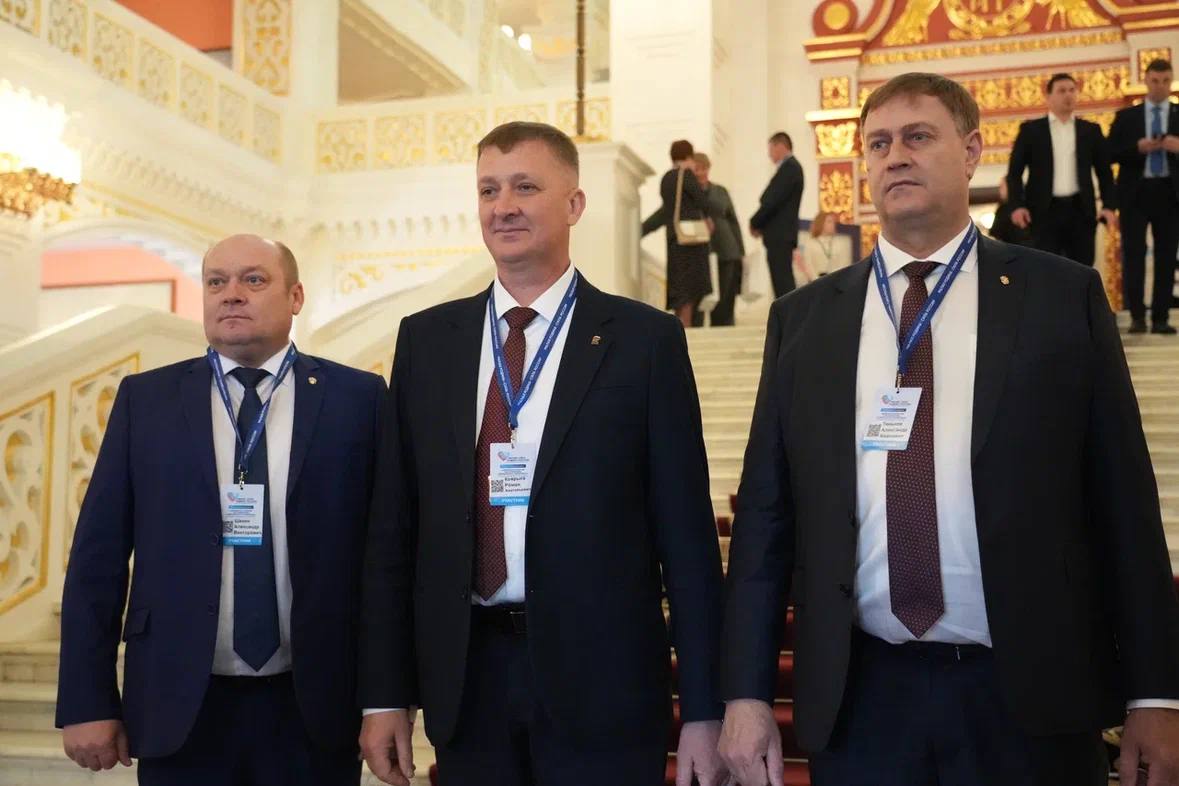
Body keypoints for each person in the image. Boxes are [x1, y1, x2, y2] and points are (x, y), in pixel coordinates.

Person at [719, 72, 1179, 786]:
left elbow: (1123, 500)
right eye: (877, 143)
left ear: (970, 152)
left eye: (917, 136)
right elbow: (765, 520)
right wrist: (746, 693)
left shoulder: (1059, 297)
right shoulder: (804, 319)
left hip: (1027, 696)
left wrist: (1154, 694)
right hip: (861, 699)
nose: (894, 155)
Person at [358, 121, 726, 786]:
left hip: (605, 685)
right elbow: (394, 530)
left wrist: (703, 708)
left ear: (574, 204)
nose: (503, 206)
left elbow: (687, 538)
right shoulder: (427, 342)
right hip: (467, 681)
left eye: (525, 187)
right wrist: (385, 695)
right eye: (488, 190)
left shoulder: (644, 341)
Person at [55, 235, 386, 786]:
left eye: (253, 280)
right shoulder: (147, 400)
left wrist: (386, 699)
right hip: (179, 703)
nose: (231, 294)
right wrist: (87, 699)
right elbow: (97, 560)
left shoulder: (358, 399)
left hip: (316, 705)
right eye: (216, 282)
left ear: (296, 296)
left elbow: (385, 561)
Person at [1005, 72, 1118, 267]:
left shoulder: (1090, 130)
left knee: (1082, 269)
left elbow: (1105, 173)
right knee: (1045, 269)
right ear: (1048, 97)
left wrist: (1109, 206)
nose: (1068, 95)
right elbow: (1014, 173)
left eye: (1072, 90)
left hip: (1080, 211)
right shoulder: (1031, 131)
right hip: (1043, 212)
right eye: (1062, 91)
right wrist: (1017, 206)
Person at [1109, 58, 1179, 335]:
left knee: (1166, 255)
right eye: (1155, 81)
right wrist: (1137, 148)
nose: (1160, 86)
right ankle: (1137, 316)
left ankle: (1161, 317)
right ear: (1146, 81)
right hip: (1135, 193)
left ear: (1171, 82)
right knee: (1134, 254)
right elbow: (1109, 152)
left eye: (1165, 81)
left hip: (1170, 193)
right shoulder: (1127, 117)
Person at [641, 139, 714, 328]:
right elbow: (702, 201)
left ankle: (680, 326)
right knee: (691, 288)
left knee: (679, 286)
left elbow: (667, 209)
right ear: (688, 156)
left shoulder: (666, 178)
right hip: (690, 240)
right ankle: (687, 327)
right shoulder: (686, 175)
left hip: (674, 238)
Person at [750, 132, 805, 298]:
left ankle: (789, 315)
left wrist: (755, 222)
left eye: (771, 149)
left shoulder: (790, 168)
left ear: (780, 146)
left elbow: (772, 200)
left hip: (780, 235)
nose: (769, 154)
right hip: (781, 236)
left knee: (783, 285)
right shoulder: (790, 168)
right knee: (781, 282)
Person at [793, 211, 853, 284]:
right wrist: (817, 281)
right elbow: (809, 265)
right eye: (829, 221)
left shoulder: (840, 244)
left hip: (836, 282)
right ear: (821, 223)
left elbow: (844, 264)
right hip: (816, 283)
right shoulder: (810, 244)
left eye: (833, 222)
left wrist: (834, 279)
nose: (833, 224)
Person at [987, 178, 1033, 247]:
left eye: (1002, 187)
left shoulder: (1004, 209)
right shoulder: (1025, 206)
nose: (1000, 190)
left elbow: (996, 235)